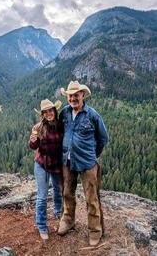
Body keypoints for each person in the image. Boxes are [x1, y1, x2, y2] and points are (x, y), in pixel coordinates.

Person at [57, 81, 109, 246]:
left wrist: (93, 155)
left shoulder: (92, 115)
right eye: (70, 96)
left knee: (91, 198)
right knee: (67, 192)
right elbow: (58, 132)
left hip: (87, 163)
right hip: (67, 161)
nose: (73, 98)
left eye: (76, 95)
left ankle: (95, 231)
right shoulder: (64, 113)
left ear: (83, 95)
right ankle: (68, 220)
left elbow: (103, 138)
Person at [29, 99, 63, 240]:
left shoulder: (61, 125)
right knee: (42, 197)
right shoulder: (38, 127)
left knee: (57, 190)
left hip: (56, 164)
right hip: (42, 164)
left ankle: (57, 211)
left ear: (55, 112)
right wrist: (33, 140)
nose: (49, 114)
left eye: (51, 111)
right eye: (46, 112)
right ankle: (42, 225)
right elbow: (33, 146)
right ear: (42, 114)